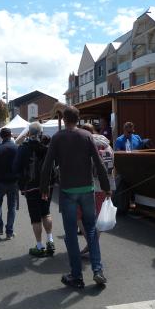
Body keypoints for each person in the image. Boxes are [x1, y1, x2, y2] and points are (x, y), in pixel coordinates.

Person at [40, 106, 111, 288]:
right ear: (78, 119)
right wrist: (106, 186)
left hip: (68, 191)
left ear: (64, 119)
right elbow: (99, 163)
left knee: (71, 233)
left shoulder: (57, 138)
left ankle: (76, 275)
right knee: (92, 230)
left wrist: (44, 188)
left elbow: (47, 165)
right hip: (87, 189)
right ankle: (97, 270)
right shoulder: (87, 136)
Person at [13, 122, 55, 257]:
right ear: (41, 132)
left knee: (35, 217)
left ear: (29, 133)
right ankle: (50, 241)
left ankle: (39, 246)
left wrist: (21, 184)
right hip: (47, 185)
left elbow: (16, 168)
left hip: (31, 186)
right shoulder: (47, 146)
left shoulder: (23, 148)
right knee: (46, 212)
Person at [78, 124, 116, 255]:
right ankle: (92, 245)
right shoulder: (107, 144)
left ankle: (91, 245)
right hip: (106, 185)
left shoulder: (86, 144)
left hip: (90, 185)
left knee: (81, 217)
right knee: (98, 218)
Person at [0, 127, 19, 240]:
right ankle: (9, 232)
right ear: (10, 135)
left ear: (1, 137)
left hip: (0, 181)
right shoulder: (16, 148)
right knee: (11, 206)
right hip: (13, 182)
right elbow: (20, 165)